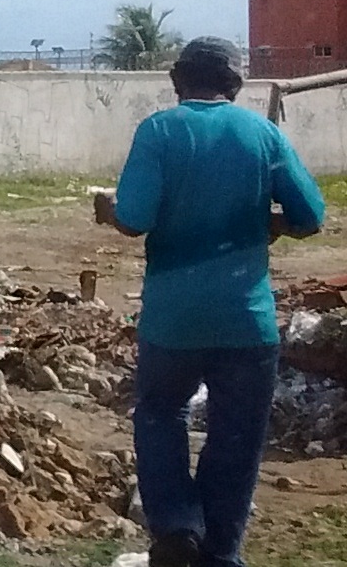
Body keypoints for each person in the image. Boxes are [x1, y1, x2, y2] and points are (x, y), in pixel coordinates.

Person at [96, 37, 326, 567]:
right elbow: (310, 216)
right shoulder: (263, 135)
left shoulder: (159, 130)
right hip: (247, 323)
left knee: (159, 415)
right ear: (236, 84)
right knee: (236, 435)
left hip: (172, 321)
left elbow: (133, 218)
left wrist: (106, 210)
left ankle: (177, 526)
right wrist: (269, 223)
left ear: (177, 82)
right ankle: (219, 554)